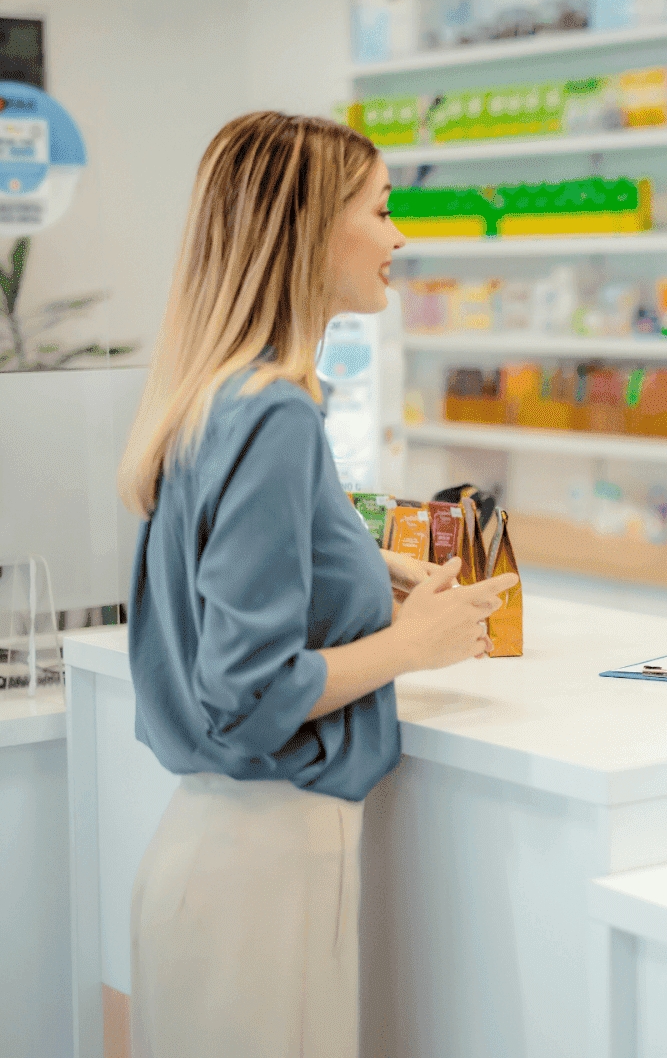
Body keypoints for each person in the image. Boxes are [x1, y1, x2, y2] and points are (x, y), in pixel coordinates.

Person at [116, 110, 519, 1058]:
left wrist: (359, 562)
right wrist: (412, 643)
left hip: (218, 863)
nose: (398, 237)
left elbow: (212, 560)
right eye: (380, 211)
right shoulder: (278, 416)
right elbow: (248, 690)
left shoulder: (218, 392)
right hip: (260, 875)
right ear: (307, 228)